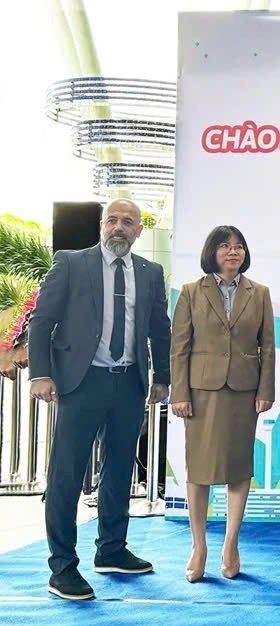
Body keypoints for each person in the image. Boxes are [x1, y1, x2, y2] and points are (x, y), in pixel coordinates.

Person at [27, 199, 171, 601]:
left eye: (127, 221)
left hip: (129, 384)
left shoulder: (150, 271)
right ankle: (62, 568)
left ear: (139, 230)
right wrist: (40, 374)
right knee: (67, 475)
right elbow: (42, 320)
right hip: (81, 382)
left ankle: (111, 550)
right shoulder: (71, 263)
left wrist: (162, 377)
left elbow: (160, 328)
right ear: (102, 225)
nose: (118, 227)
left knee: (120, 471)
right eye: (112, 220)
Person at [170, 225, 276, 582]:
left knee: (238, 468)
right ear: (211, 252)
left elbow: (268, 347)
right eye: (225, 246)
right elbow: (179, 347)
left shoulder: (259, 293)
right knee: (199, 469)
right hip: (201, 390)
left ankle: (231, 544)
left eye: (239, 246)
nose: (233, 252)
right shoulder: (191, 292)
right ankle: (199, 545)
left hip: (244, 390)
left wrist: (265, 390)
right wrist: (179, 393)